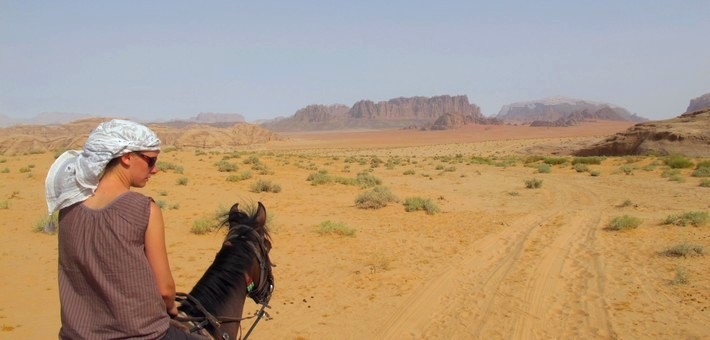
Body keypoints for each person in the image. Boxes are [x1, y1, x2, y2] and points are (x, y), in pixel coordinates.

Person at [45, 119, 202, 339]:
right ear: (127, 157)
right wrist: (172, 309)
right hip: (139, 334)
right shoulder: (145, 209)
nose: (155, 169)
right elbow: (165, 290)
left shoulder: (67, 208)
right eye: (151, 160)